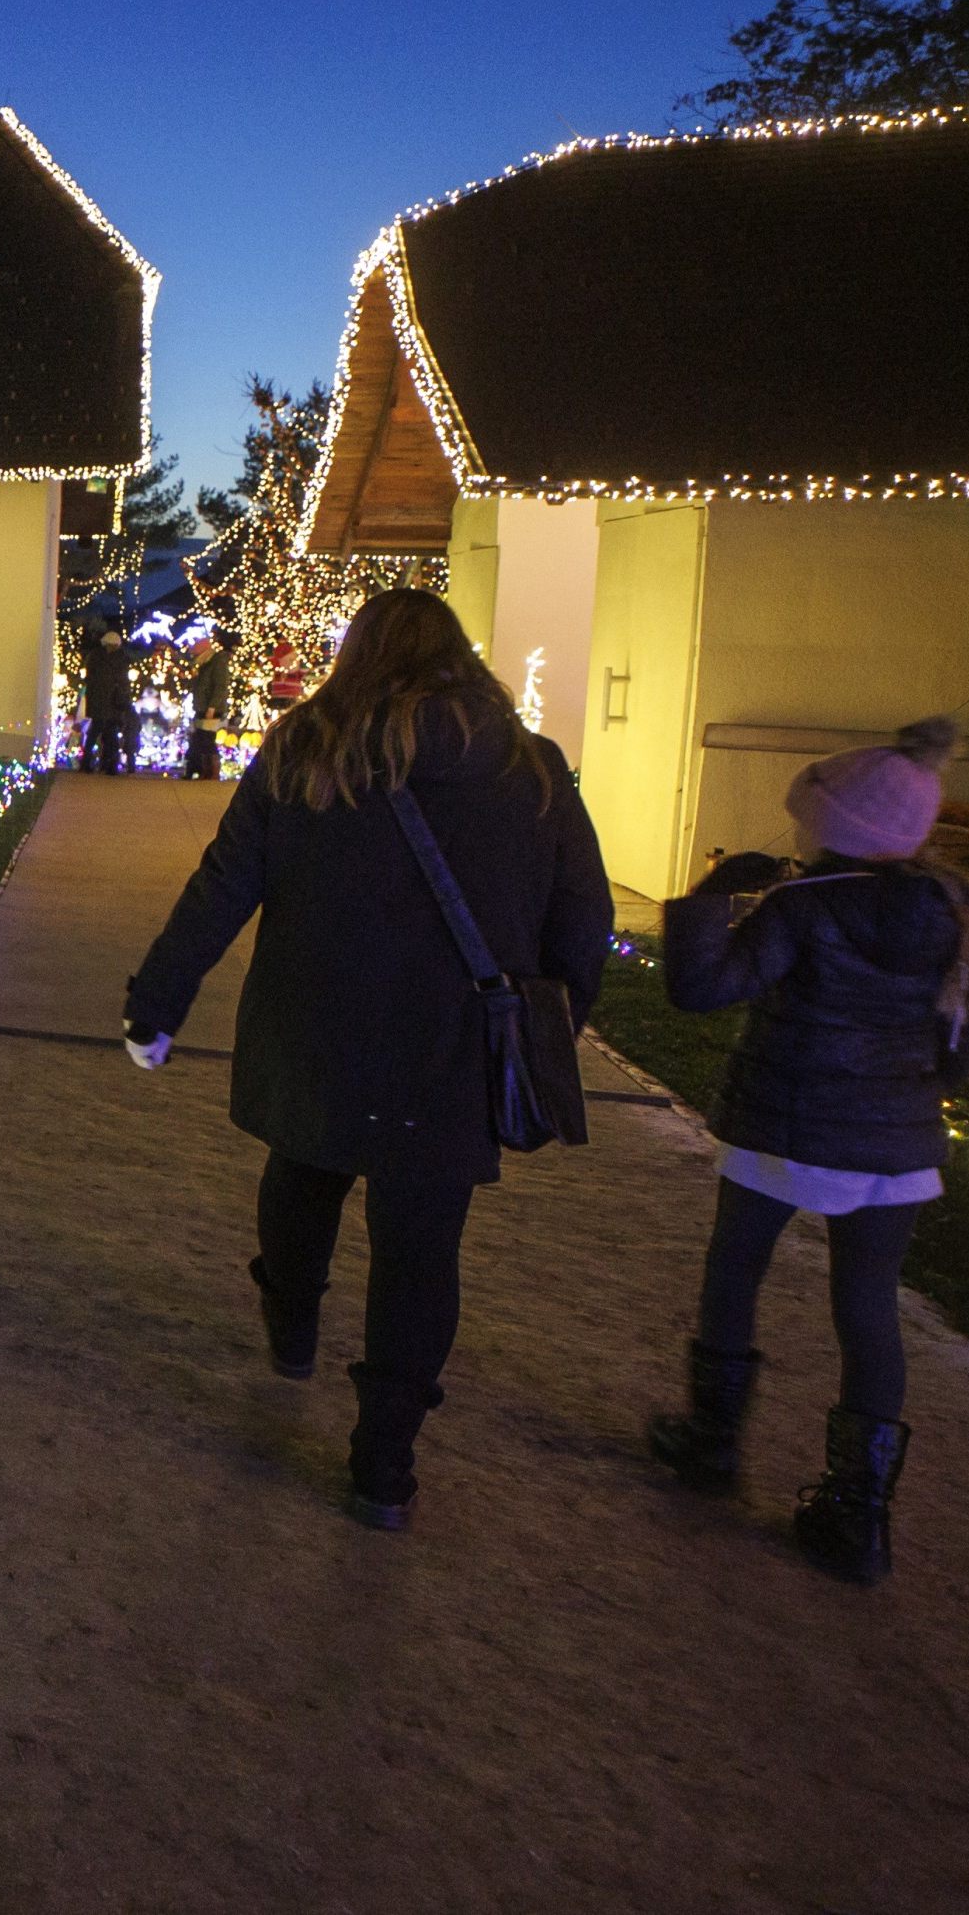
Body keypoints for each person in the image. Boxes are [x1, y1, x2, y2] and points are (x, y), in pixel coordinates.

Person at [120, 589, 613, 1527]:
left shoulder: (306, 750)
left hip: (316, 1031)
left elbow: (223, 885)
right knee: (421, 1250)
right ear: (462, 661)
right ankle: (383, 1461)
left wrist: (157, 1002)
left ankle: (293, 1316)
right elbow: (582, 921)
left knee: (302, 1177)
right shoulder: (529, 769)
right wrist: (550, 1021)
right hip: (453, 1050)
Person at [643, 717, 963, 1584]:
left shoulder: (802, 905)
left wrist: (712, 897)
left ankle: (711, 1443)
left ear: (837, 826)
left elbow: (702, 988)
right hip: (893, 1145)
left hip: (786, 1124)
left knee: (734, 1271)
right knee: (868, 1312)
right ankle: (856, 1516)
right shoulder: (945, 911)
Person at [80, 619, 137, 775]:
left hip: (102, 704)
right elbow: (123, 682)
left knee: (97, 734)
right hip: (112, 704)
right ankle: (109, 764)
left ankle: (91, 763)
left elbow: (90, 681)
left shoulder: (95, 657)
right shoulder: (120, 659)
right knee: (109, 736)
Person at [184, 635, 236, 780]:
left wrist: (212, 707)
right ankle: (199, 770)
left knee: (205, 739)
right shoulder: (204, 663)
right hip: (202, 707)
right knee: (199, 739)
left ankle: (210, 771)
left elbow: (220, 686)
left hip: (210, 709)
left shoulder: (216, 662)